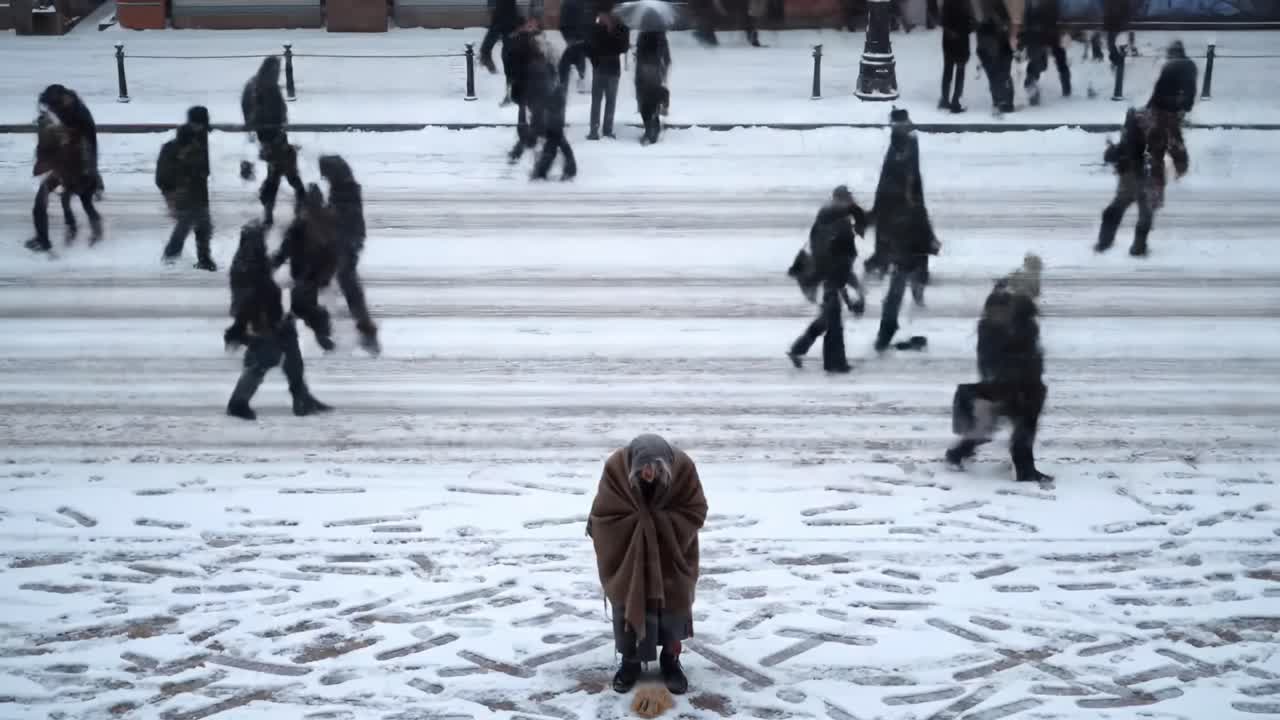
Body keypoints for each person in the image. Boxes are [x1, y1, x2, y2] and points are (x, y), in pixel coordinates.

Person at [587, 434, 707, 695]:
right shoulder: (616, 467)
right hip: (629, 555)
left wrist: (659, 524)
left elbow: (696, 509)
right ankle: (630, 663)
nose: (649, 473)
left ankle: (671, 661)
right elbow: (603, 512)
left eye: (656, 467)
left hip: (672, 555)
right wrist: (635, 526)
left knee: (673, 608)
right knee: (629, 603)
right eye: (643, 468)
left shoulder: (683, 467)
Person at [224, 221, 332, 420]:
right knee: (263, 360)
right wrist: (246, 326)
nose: (263, 242)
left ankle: (302, 399)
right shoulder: (246, 265)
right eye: (260, 239)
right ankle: (237, 403)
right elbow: (248, 299)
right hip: (259, 320)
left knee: (292, 356)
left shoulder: (255, 259)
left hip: (273, 315)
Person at [947, 279, 1051, 483]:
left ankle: (1025, 470)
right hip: (1003, 387)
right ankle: (957, 454)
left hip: (1030, 387)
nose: (998, 315)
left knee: (1024, 430)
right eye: (993, 311)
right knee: (986, 428)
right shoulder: (988, 331)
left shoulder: (1025, 324)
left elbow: (1033, 353)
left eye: (1002, 310)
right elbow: (987, 363)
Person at [867, 109, 940, 353]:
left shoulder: (906, 148)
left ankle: (888, 328)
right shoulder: (905, 146)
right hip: (902, 225)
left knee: (898, 285)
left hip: (903, 226)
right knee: (899, 282)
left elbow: (900, 181)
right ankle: (915, 287)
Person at [787, 185, 867, 374]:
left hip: (829, 274)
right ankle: (834, 364)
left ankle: (798, 350)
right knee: (834, 323)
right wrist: (848, 291)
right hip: (829, 275)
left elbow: (841, 254)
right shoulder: (836, 221)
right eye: (847, 199)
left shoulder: (831, 218)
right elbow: (835, 255)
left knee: (827, 319)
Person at [1096, 105, 1186, 257]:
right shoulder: (1168, 123)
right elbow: (1177, 148)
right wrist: (1181, 166)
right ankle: (1138, 248)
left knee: (1118, 206)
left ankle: (1104, 243)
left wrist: (1113, 153)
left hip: (1130, 172)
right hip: (1152, 173)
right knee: (1146, 213)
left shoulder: (1136, 118)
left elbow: (1125, 144)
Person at [241, 57, 305, 226]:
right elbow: (274, 113)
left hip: (271, 140)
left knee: (278, 175)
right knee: (283, 175)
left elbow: (250, 111)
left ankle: (273, 209)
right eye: (277, 70)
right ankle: (300, 205)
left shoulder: (257, 86)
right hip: (274, 139)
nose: (278, 73)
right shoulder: (267, 89)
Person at [161, 106, 216, 271]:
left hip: (199, 187)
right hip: (183, 189)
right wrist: (171, 192)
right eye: (201, 124)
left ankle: (204, 259)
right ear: (193, 123)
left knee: (203, 225)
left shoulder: (201, 135)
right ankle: (171, 255)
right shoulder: (181, 142)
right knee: (186, 223)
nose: (203, 128)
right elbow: (169, 170)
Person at [584, 12, 629, 140]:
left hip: (613, 69)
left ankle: (607, 130)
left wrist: (612, 31)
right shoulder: (596, 28)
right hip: (599, 67)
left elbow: (623, 48)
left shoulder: (622, 28)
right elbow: (589, 47)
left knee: (610, 100)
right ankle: (594, 130)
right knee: (596, 100)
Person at [1022, 0, 1069, 105]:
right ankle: (1032, 86)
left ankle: (1031, 83)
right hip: (1042, 32)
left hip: (1042, 32)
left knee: (1040, 63)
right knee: (1040, 62)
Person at [634, 30, 671, 145]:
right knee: (652, 99)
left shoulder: (643, 34)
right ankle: (653, 128)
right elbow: (666, 55)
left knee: (644, 101)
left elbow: (640, 52)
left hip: (643, 69)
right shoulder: (660, 35)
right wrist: (664, 67)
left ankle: (650, 129)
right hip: (655, 69)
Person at [939, 0, 974, 113]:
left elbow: (943, 20)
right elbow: (970, 23)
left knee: (948, 70)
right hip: (961, 40)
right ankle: (955, 101)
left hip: (948, 40)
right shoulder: (965, 3)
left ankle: (945, 99)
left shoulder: (947, 3)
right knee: (960, 71)